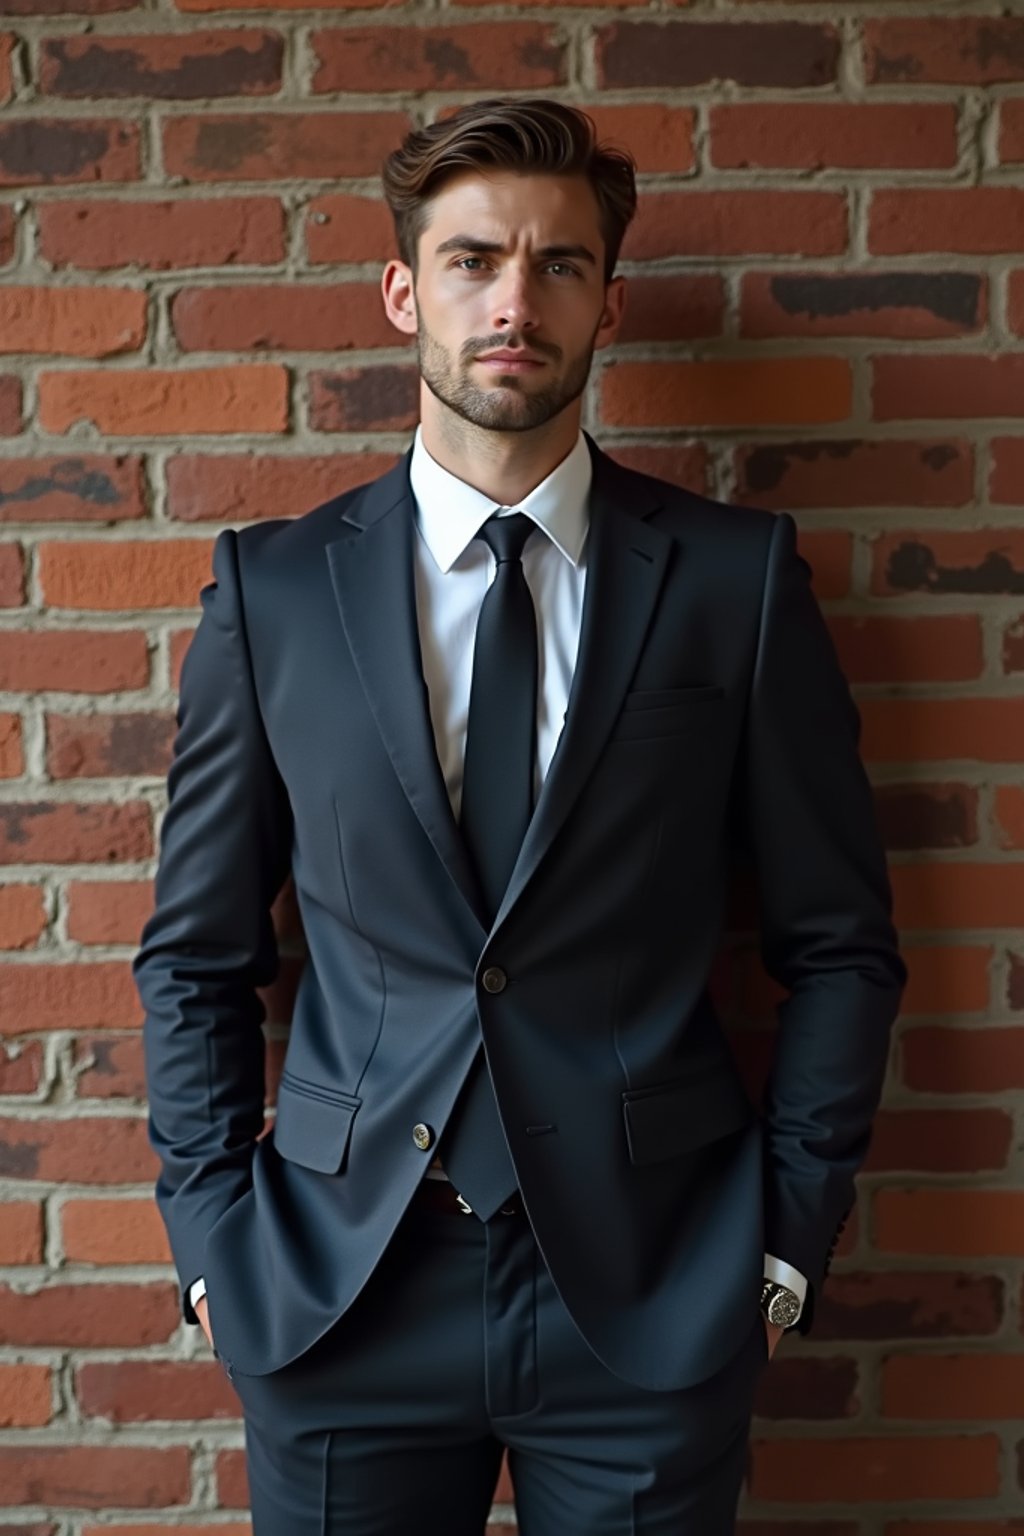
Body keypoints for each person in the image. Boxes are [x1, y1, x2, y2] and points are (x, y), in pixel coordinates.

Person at [134, 96, 906, 1536]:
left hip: (652, 1290)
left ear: (608, 304)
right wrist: (210, 1245)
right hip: (340, 1290)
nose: (514, 300)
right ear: (403, 291)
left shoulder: (734, 584)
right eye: (476, 259)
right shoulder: (276, 594)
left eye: (558, 265)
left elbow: (840, 943)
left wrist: (787, 1238)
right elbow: (194, 956)